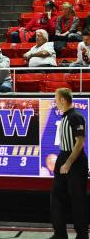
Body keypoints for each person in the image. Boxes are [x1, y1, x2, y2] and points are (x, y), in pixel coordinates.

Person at [51, 87, 88, 239]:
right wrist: (61, 162)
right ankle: (60, 234)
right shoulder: (65, 116)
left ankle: (82, 236)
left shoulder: (75, 117)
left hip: (75, 160)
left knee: (77, 200)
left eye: (56, 99)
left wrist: (68, 163)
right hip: (63, 156)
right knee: (56, 196)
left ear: (63, 100)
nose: (55, 102)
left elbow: (80, 143)